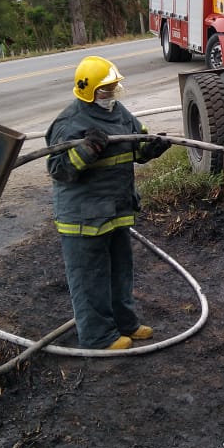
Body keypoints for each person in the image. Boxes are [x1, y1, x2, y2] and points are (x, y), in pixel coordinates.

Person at [46, 55, 170, 351]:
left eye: (114, 88)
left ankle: (124, 323)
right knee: (90, 279)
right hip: (83, 218)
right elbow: (59, 170)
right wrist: (87, 151)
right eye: (106, 89)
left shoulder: (119, 112)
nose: (111, 95)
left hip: (115, 212)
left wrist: (151, 148)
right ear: (88, 90)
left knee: (120, 272)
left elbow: (135, 145)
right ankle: (97, 336)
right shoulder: (69, 122)